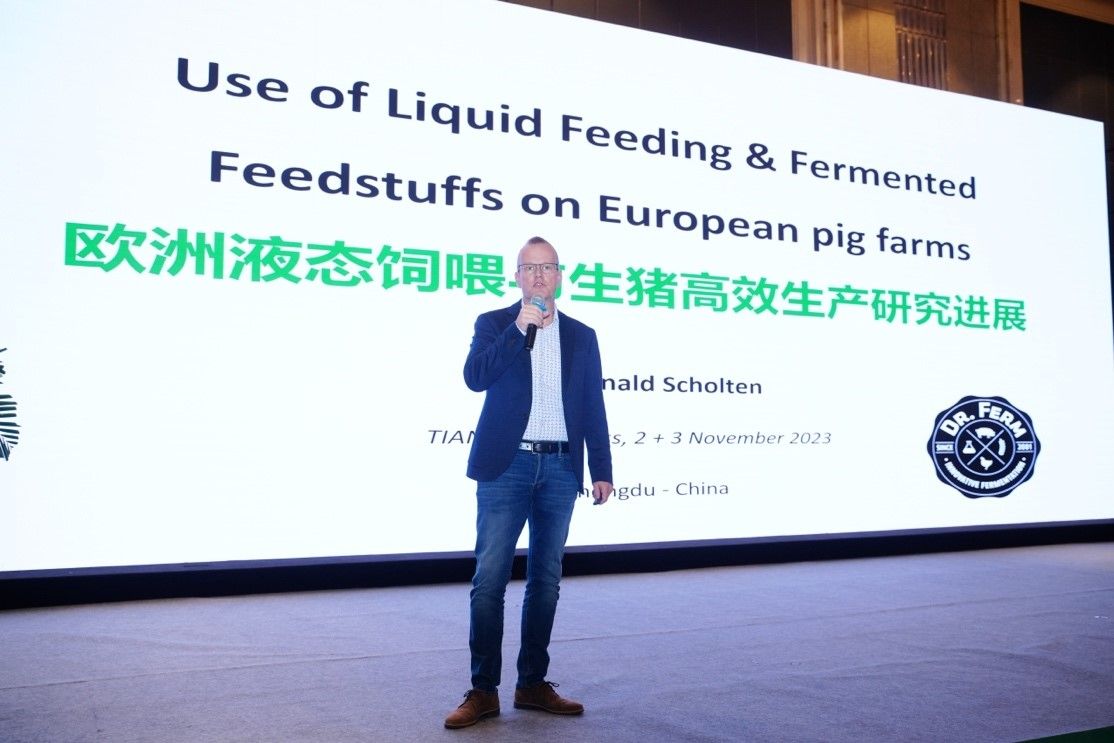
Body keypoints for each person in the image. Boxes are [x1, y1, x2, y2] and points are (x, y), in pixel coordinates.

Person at [444, 236, 614, 729]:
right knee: (489, 581)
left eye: (547, 268)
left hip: (560, 468)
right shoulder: (494, 323)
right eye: (529, 268)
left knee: (546, 582)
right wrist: (520, 327)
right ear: (517, 277)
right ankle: (483, 690)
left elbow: (593, 403)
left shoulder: (582, 335)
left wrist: (601, 468)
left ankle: (532, 683)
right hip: (507, 466)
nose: (539, 276)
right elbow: (475, 377)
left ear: (560, 276)